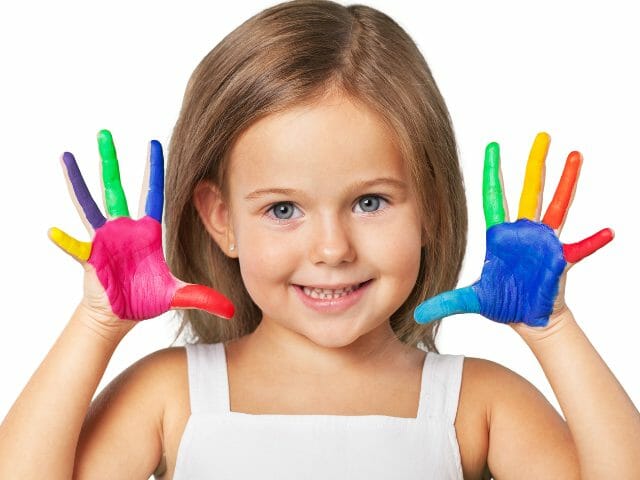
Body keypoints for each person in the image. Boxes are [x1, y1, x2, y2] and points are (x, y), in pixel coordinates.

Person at [1, 0, 639, 478]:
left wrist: (553, 329)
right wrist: (96, 324)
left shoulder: (474, 401)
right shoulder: (173, 394)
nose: (332, 248)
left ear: (431, 209)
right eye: (283, 209)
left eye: (369, 201)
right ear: (221, 219)